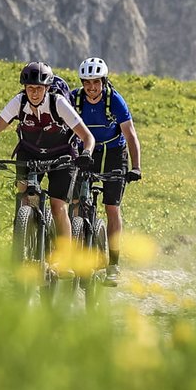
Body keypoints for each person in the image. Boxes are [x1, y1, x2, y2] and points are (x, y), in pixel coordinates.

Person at [0, 62, 95, 239]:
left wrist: (86, 153)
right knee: (25, 197)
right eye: (30, 88)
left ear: (47, 88)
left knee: (58, 206)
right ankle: (26, 242)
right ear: (24, 88)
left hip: (62, 154)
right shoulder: (18, 102)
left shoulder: (58, 103)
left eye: (39, 88)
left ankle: (64, 261)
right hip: (29, 152)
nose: (34, 93)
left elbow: (88, 137)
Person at [72, 57, 143, 271]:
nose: (91, 87)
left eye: (96, 82)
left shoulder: (115, 101)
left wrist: (136, 167)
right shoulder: (75, 99)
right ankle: (76, 248)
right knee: (76, 201)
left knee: (111, 207)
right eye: (87, 82)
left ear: (104, 81)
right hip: (87, 151)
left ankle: (113, 263)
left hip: (113, 153)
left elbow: (130, 135)